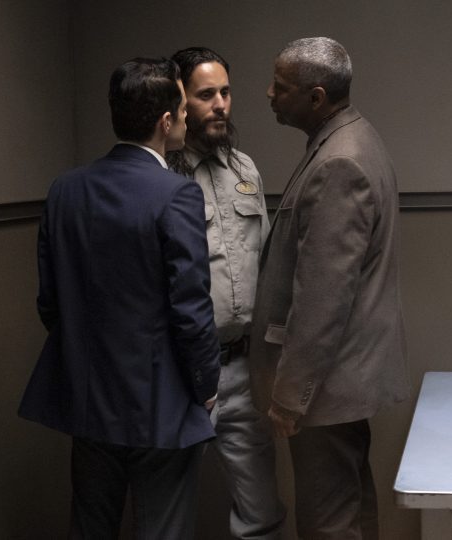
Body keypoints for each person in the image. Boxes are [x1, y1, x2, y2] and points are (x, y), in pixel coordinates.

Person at [18, 57, 221, 539]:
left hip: (88, 396)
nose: (187, 118)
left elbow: (50, 301)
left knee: (91, 526)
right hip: (161, 402)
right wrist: (206, 385)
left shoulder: (65, 189)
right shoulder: (176, 194)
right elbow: (191, 309)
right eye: (182, 110)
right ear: (166, 121)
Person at [250, 37, 409, 539]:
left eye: (281, 87)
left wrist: (290, 397)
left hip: (325, 386)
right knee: (350, 510)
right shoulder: (353, 138)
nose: (270, 94)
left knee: (327, 522)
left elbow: (322, 298)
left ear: (316, 97)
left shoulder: (339, 161)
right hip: (343, 378)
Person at [167, 47, 286, 540]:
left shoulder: (244, 170)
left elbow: (265, 264)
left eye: (225, 92)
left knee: (262, 515)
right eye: (205, 95)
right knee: (166, 514)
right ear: (178, 101)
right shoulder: (161, 177)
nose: (220, 104)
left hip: (241, 368)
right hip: (178, 375)